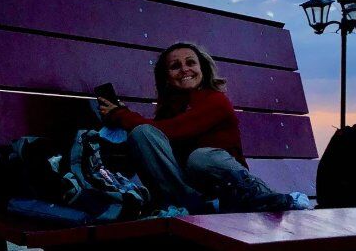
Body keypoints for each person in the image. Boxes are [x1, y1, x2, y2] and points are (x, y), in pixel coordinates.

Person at [98, 41, 313, 213]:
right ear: (166, 78)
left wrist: (122, 116)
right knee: (143, 133)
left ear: (202, 69)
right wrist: (121, 119)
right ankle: (186, 205)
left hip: (230, 183)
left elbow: (175, 130)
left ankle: (262, 196)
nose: (184, 69)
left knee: (200, 158)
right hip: (193, 193)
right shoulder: (167, 111)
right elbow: (156, 134)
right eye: (175, 66)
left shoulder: (216, 101)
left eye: (190, 63)